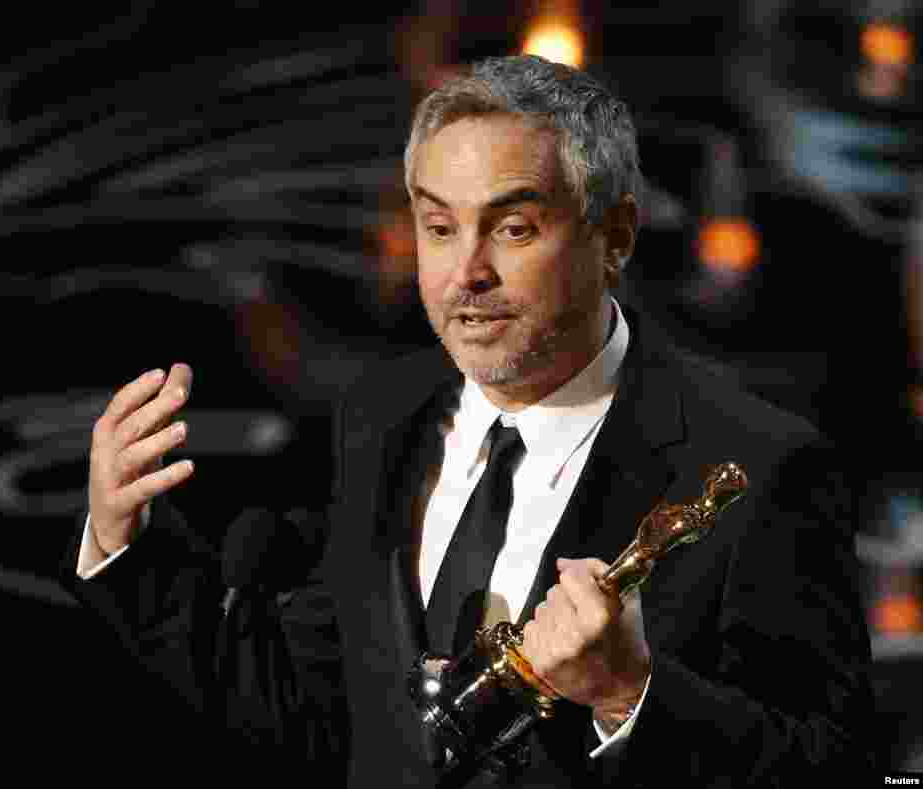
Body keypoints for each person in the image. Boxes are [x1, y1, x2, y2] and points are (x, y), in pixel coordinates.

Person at [61, 55, 875, 786]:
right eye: (440, 227)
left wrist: (632, 694)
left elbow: (836, 769)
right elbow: (331, 710)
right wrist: (123, 541)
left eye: (514, 228)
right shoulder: (379, 419)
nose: (466, 274)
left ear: (616, 235)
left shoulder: (762, 469)